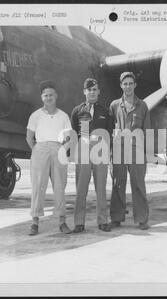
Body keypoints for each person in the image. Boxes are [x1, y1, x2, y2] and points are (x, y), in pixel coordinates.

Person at [26, 80, 72, 236]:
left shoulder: (63, 116)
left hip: (58, 148)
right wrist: (37, 151)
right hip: (40, 149)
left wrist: (62, 150)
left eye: (51, 95)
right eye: (45, 95)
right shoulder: (35, 115)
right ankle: (34, 222)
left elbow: (68, 137)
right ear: (41, 97)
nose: (48, 97)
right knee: (38, 186)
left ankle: (62, 221)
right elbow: (29, 137)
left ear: (56, 96)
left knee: (60, 186)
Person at [70, 78, 113, 233]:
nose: (92, 92)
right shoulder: (77, 111)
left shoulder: (106, 111)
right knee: (81, 189)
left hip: (100, 151)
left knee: (101, 188)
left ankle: (102, 221)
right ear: (84, 92)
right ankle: (79, 223)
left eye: (95, 89)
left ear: (98, 92)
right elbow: (74, 132)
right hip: (83, 150)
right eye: (89, 90)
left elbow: (109, 133)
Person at [109, 72, 151, 230]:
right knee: (117, 184)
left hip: (137, 151)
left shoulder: (142, 106)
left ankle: (142, 219)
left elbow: (147, 130)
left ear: (135, 85)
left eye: (130, 83)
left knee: (138, 184)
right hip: (119, 150)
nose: (127, 86)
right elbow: (109, 128)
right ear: (121, 86)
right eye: (124, 83)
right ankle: (116, 218)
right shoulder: (114, 105)